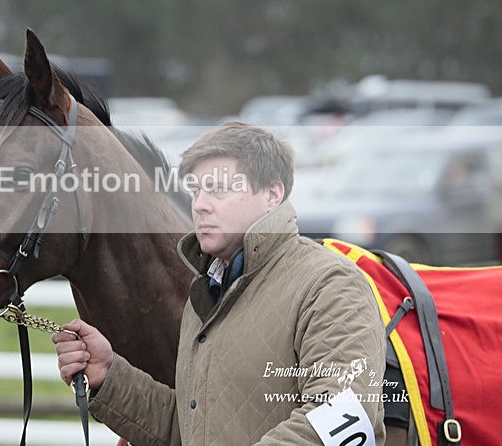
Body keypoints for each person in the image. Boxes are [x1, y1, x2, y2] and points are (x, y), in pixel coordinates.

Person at [52, 121, 386, 445]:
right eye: (196, 190)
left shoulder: (331, 284)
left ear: (273, 194)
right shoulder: (207, 294)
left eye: (219, 189)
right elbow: (194, 430)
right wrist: (109, 377)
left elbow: (342, 416)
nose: (200, 204)